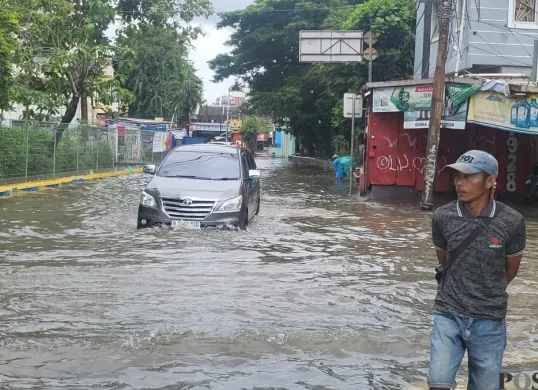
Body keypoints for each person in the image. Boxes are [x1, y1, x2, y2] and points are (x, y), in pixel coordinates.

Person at [428, 150, 526, 390]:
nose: (460, 183)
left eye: (469, 177)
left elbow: (509, 272)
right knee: (438, 383)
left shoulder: (512, 221)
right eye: (457, 176)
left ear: (490, 181)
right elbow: (446, 259)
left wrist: (484, 291)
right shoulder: (442, 216)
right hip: (448, 313)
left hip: (489, 319)